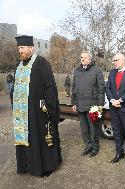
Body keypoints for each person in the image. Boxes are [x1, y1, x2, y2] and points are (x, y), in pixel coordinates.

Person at [13, 35, 62, 176]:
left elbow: (50, 88)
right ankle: (27, 165)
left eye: (22, 48)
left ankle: (46, 167)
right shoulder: (19, 66)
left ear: (31, 48)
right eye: (19, 48)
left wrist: (49, 108)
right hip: (22, 114)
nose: (20, 51)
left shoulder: (41, 63)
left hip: (39, 112)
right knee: (26, 138)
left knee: (40, 139)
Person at [71, 51, 105, 157]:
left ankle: (95, 147)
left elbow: (101, 89)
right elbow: (74, 88)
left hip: (93, 106)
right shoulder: (77, 71)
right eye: (81, 57)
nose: (82, 59)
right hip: (80, 104)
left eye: (85, 57)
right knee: (84, 129)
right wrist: (74, 103)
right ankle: (88, 146)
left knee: (94, 128)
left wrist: (100, 106)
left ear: (90, 59)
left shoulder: (97, 70)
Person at [106, 53, 125, 167]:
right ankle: (119, 153)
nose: (114, 62)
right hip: (113, 107)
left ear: (123, 60)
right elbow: (107, 87)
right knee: (117, 132)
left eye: (116, 60)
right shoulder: (112, 72)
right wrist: (112, 100)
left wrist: (121, 100)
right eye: (113, 60)